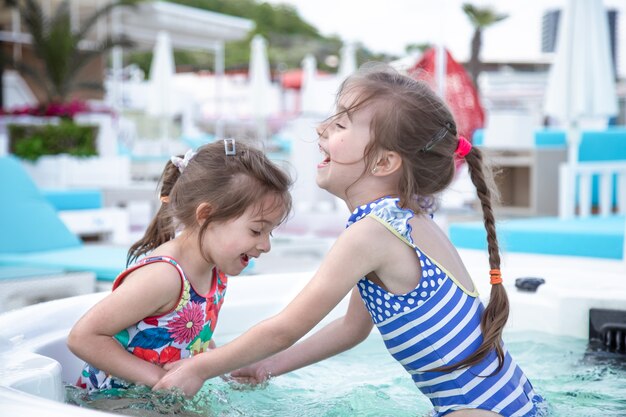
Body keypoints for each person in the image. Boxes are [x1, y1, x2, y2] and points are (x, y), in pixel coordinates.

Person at [154, 64, 544, 416]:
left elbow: (285, 328)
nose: (322, 128)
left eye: (341, 125)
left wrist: (199, 367)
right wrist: (264, 366)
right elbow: (352, 328)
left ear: (384, 163)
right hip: (512, 403)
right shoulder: (403, 220)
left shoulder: (373, 232)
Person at [67, 139, 292, 392]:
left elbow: (195, 336)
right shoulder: (164, 275)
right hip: (110, 403)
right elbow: (83, 337)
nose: (265, 245)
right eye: (256, 230)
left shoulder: (214, 270)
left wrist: (224, 373)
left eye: (269, 233)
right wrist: (161, 381)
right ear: (206, 215)